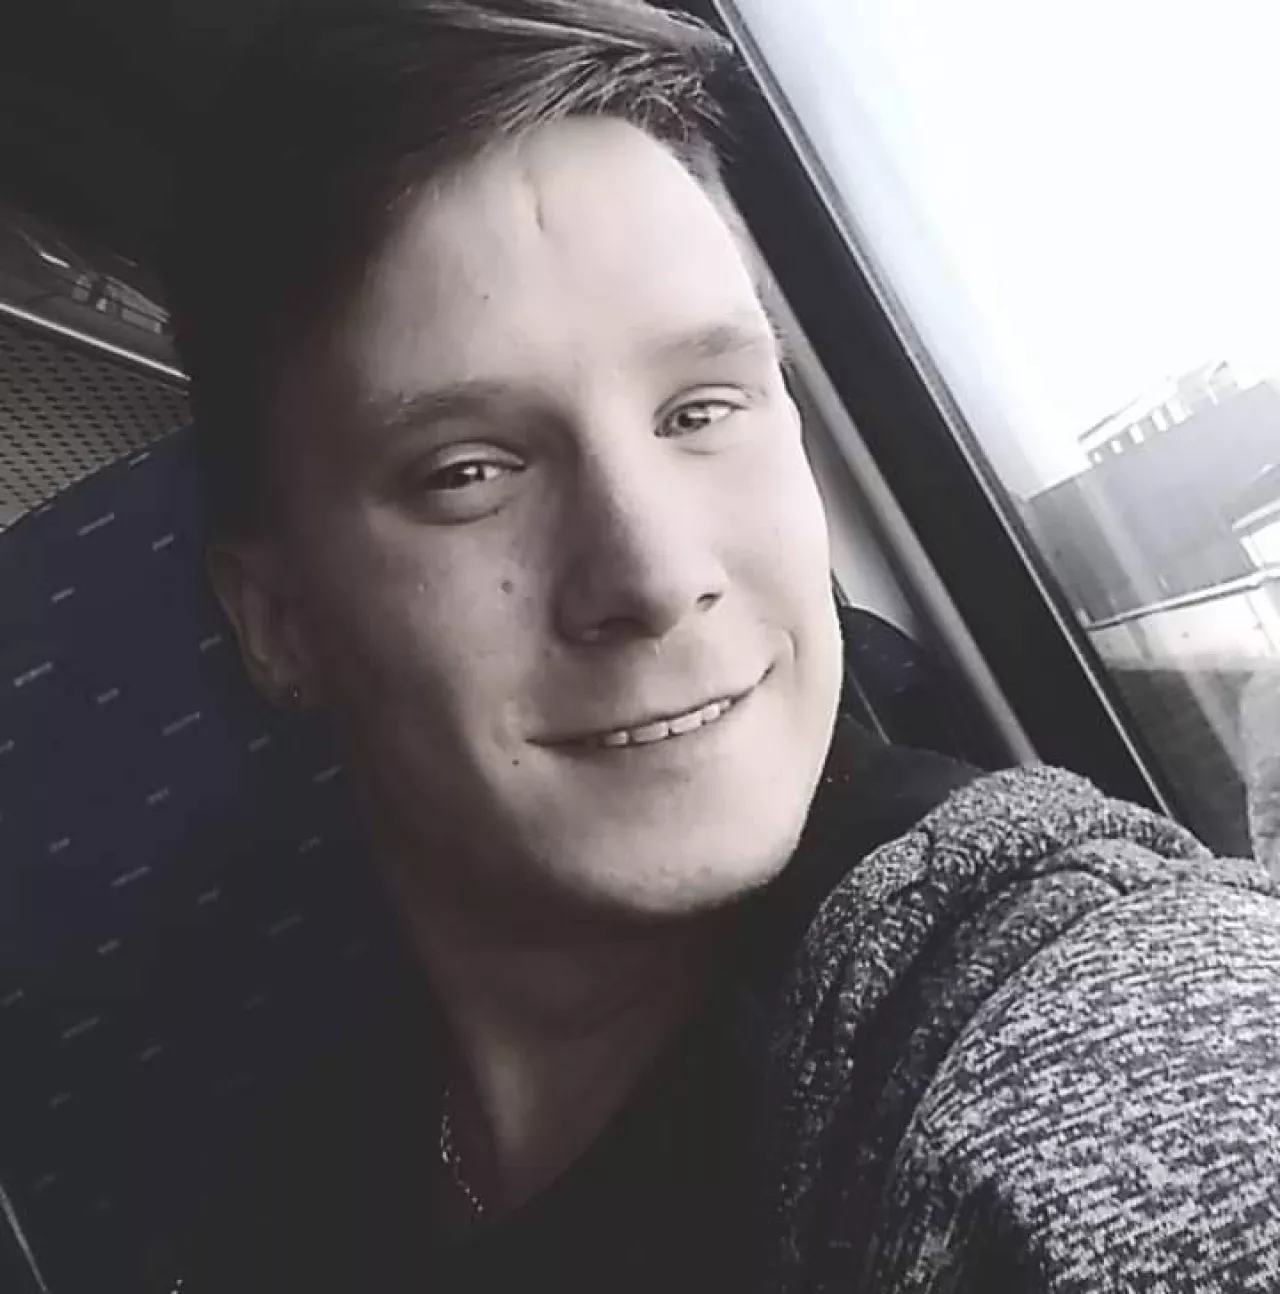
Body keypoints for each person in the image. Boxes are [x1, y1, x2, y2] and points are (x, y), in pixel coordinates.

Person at [157, 1, 1280, 1289]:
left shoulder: (1084, 1014)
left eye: (700, 409)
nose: (656, 576)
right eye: (469, 471)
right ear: (279, 621)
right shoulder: (297, 1185)